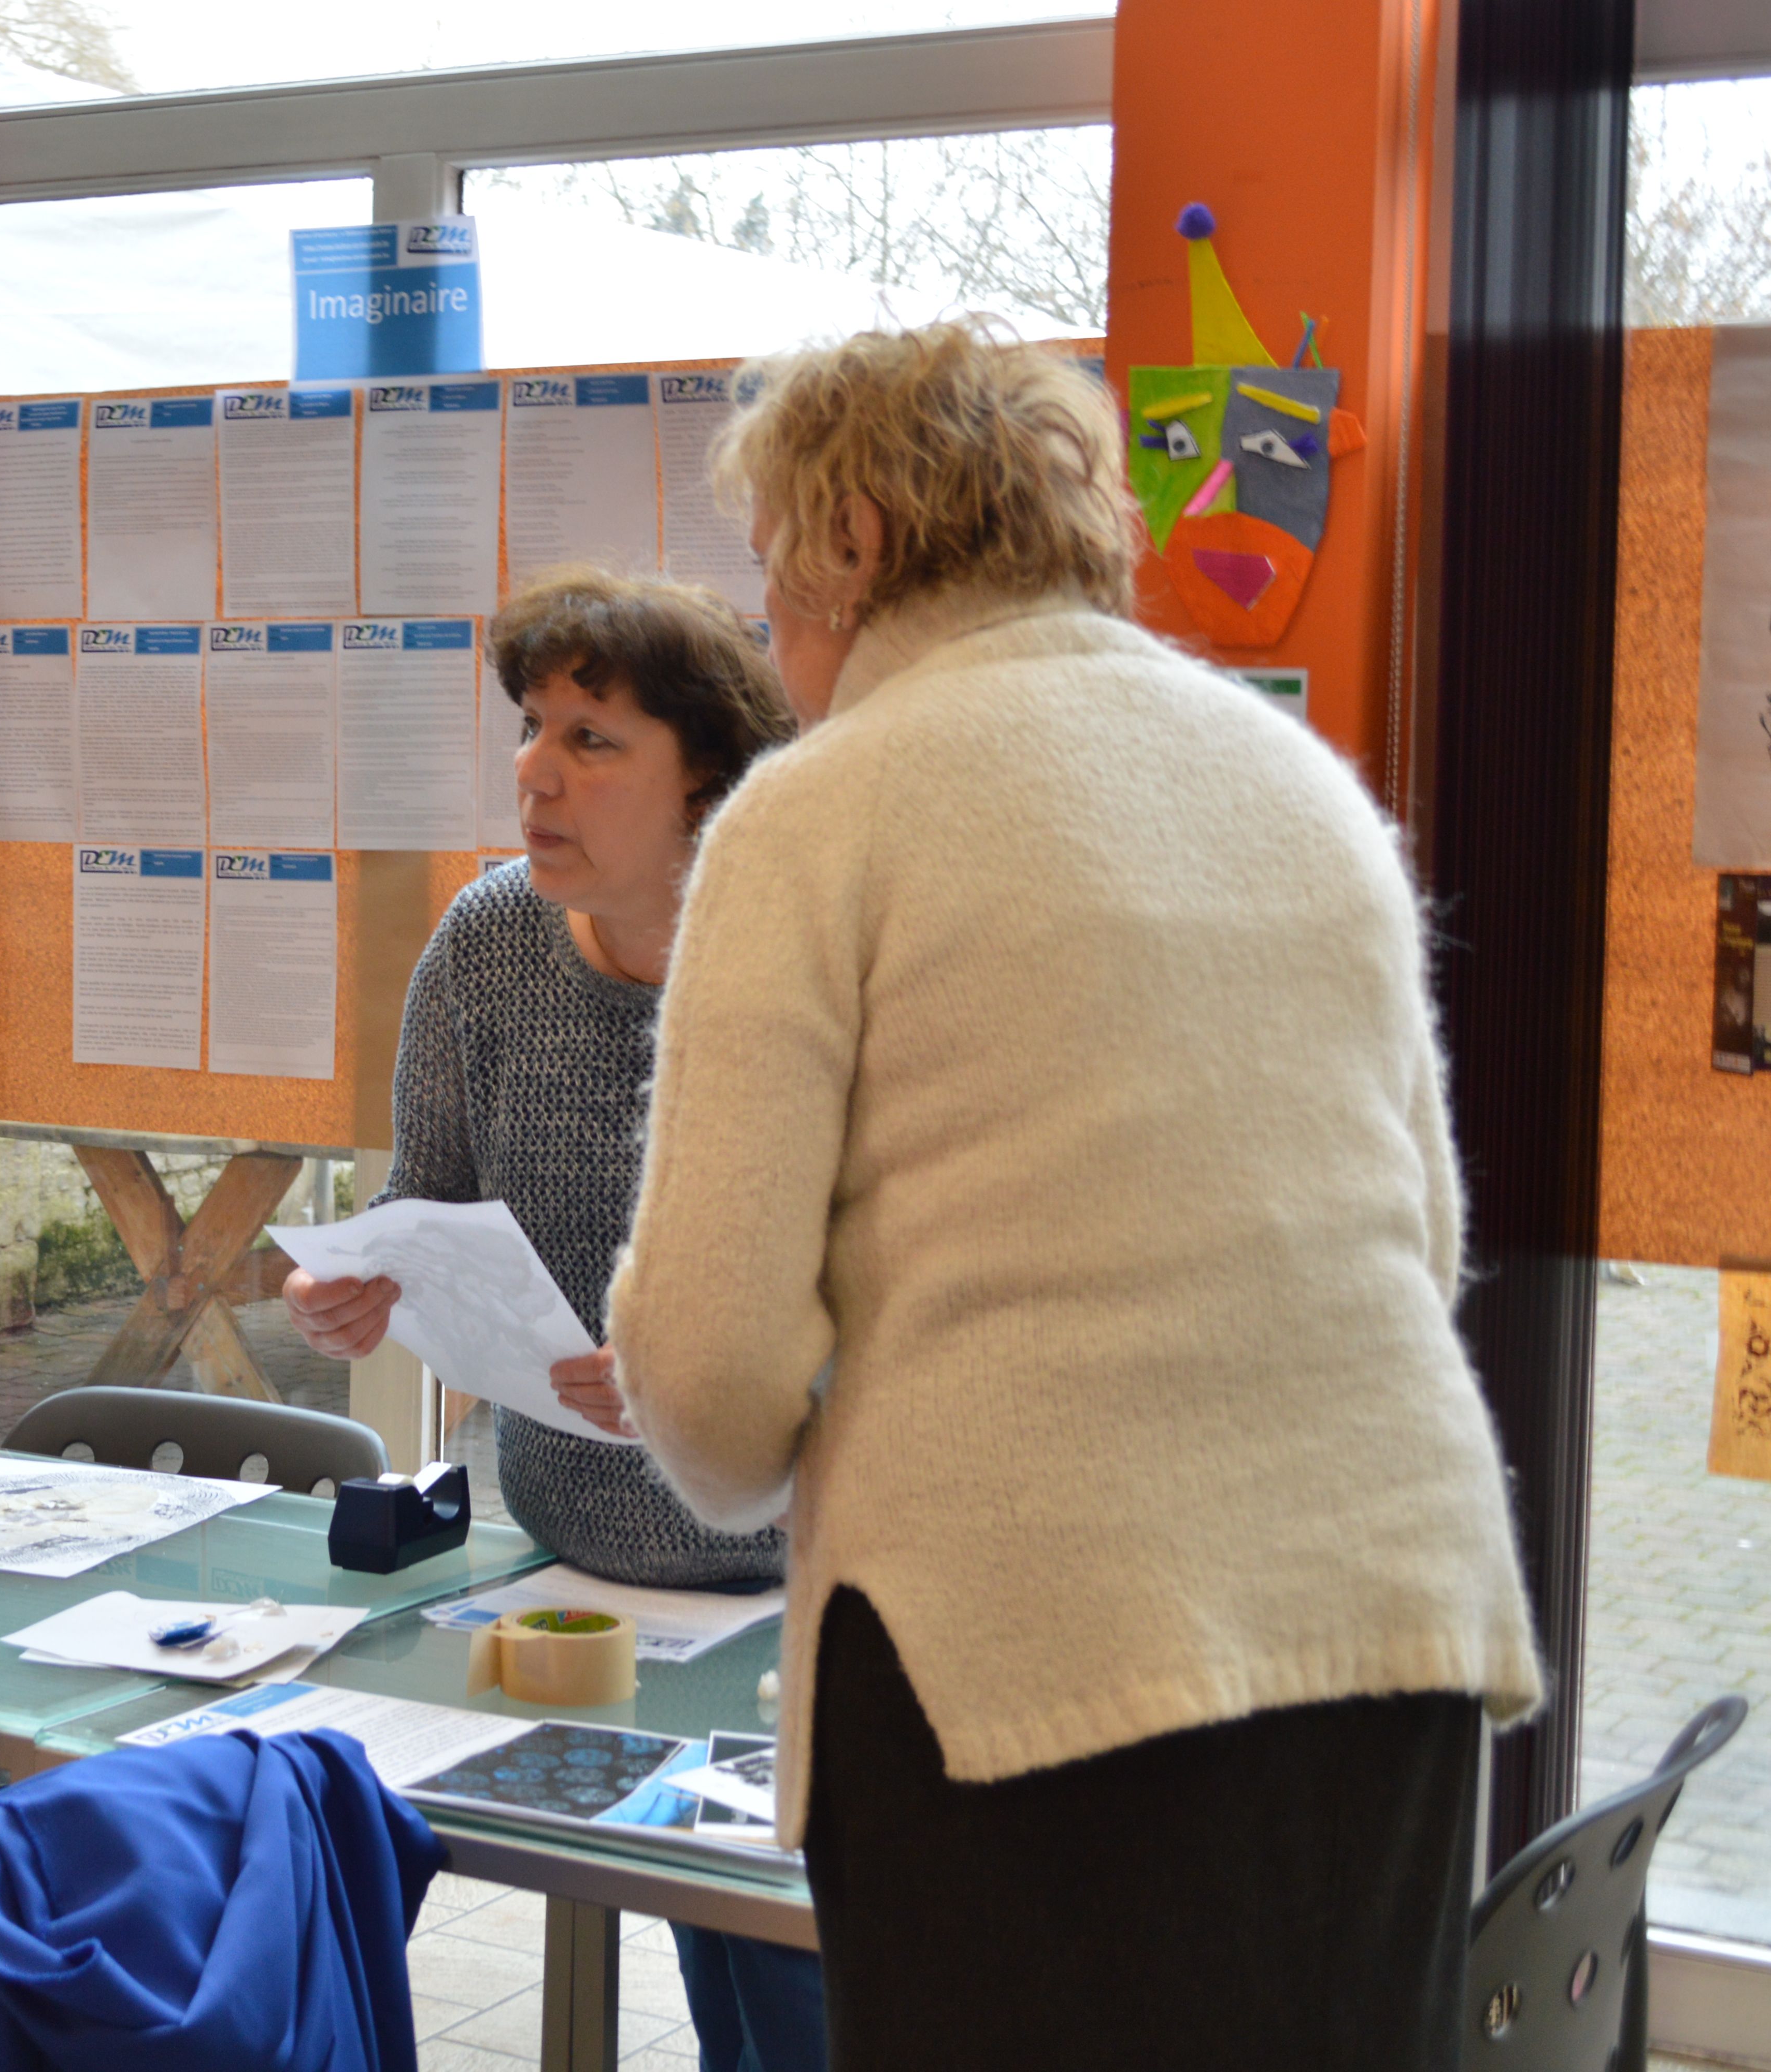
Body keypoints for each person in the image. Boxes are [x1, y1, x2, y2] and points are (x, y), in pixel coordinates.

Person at [606, 323, 1543, 2069]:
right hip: (1382, 1627)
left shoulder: (818, 814)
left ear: (856, 543)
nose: (768, 626)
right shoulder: (1300, 784)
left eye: (773, 567)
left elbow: (715, 1381)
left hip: (1018, 1649)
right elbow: (1424, 1237)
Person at [280, 567, 822, 2072]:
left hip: (793, 1589)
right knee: (705, 1979)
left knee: (788, 2008)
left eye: (592, 740)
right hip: (573, 1574)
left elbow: (907, 1291)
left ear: (707, 777)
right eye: (530, 725)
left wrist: (717, 1384)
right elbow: (429, 1202)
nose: (535, 771)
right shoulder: (488, 943)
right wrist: (358, 1290)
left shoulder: (800, 958)